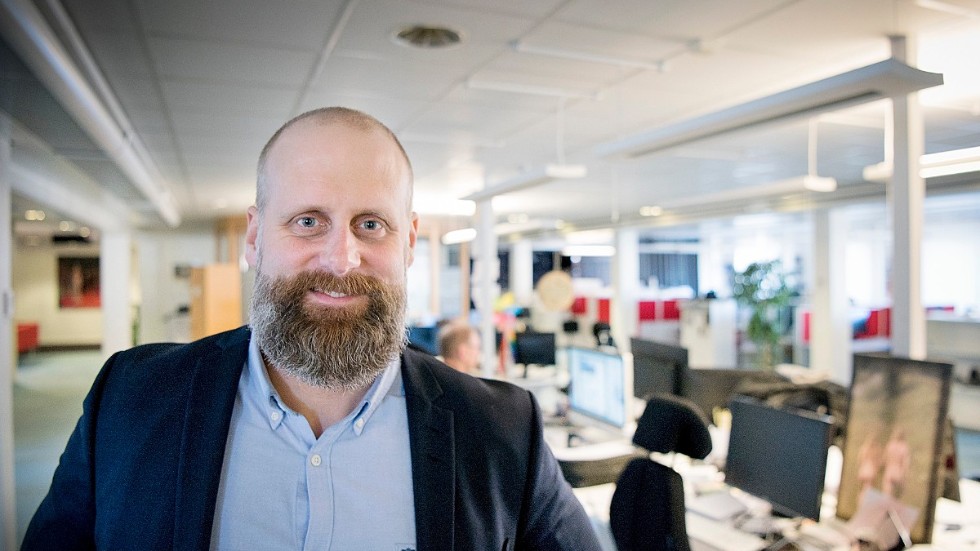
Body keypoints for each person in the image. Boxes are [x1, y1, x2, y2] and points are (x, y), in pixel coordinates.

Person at [23, 107, 601, 550]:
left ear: (407, 243)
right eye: (308, 221)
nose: (341, 259)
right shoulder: (130, 400)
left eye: (370, 224)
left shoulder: (501, 430)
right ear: (255, 238)